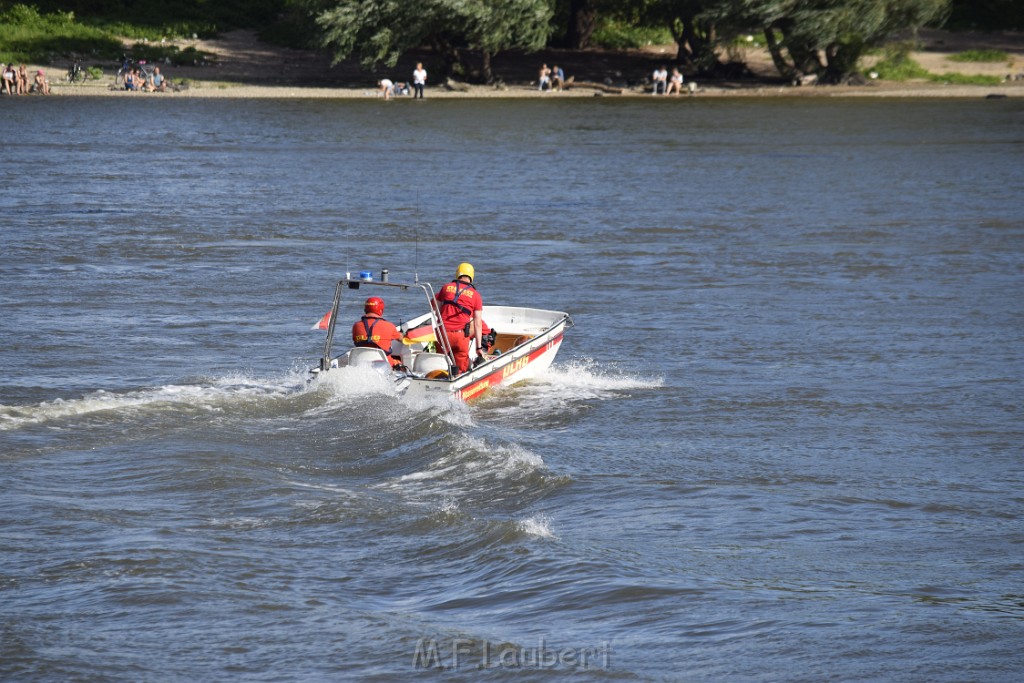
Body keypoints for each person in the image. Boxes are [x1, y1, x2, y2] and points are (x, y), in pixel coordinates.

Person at [435, 262, 484, 374]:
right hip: (460, 336)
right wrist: (478, 347)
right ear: (472, 276)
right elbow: (478, 323)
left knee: (440, 365)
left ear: (458, 274)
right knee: (460, 370)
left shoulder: (445, 288)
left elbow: (437, 311)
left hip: (443, 334)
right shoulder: (476, 295)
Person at [352, 296, 404, 367]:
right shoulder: (389, 326)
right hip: (384, 366)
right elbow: (402, 339)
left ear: (365, 309)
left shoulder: (356, 326)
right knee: (400, 364)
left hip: (360, 364)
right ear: (381, 310)